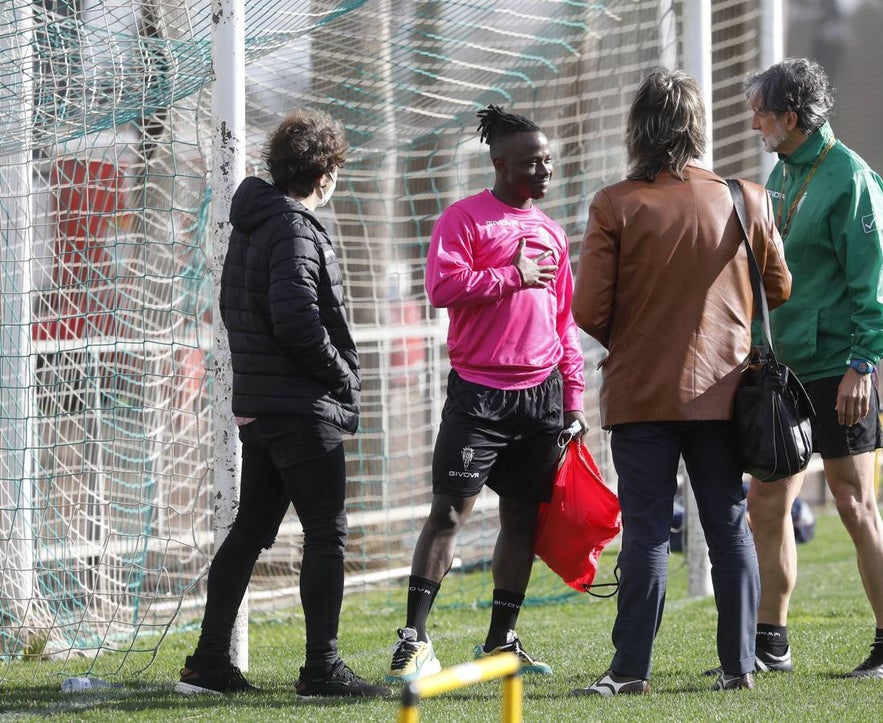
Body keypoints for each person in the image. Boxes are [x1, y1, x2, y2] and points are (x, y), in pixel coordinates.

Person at [570, 68, 792, 696]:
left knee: (645, 531)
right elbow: (779, 288)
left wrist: (640, 339)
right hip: (725, 393)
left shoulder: (615, 203)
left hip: (641, 393)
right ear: (697, 128)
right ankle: (740, 665)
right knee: (727, 525)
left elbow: (588, 308)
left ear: (638, 130)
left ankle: (629, 671)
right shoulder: (747, 196)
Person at [176, 109, 388, 697]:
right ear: (324, 174)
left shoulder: (253, 221)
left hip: (264, 404)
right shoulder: (293, 226)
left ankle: (209, 662)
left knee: (250, 530)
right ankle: (322, 668)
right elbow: (296, 320)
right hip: (298, 407)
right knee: (327, 533)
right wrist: (342, 375)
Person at [386, 105, 587, 684]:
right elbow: (441, 287)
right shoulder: (464, 220)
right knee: (448, 513)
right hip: (479, 395)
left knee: (522, 518)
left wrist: (573, 399)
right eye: (531, 161)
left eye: (547, 159)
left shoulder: (551, 231)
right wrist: (510, 276)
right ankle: (414, 640)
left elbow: (564, 320)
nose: (544, 169)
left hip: (542, 397)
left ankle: (502, 642)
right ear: (500, 164)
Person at [741, 57, 883, 679]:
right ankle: (771, 641)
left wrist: (863, 365)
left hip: (840, 369)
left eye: (762, 111)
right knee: (766, 502)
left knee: (853, 502)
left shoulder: (853, 178)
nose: (754, 121)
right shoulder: (780, 176)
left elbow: (878, 283)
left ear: (791, 116)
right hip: (783, 371)